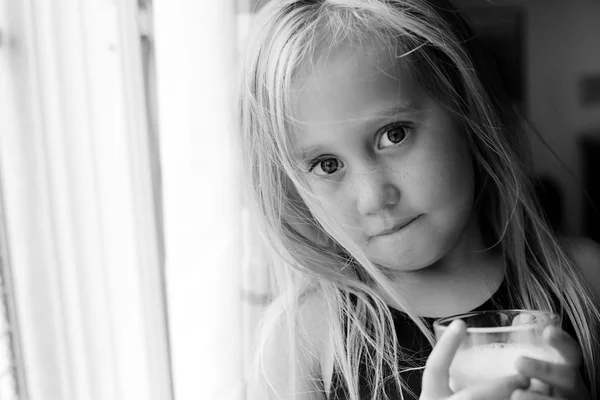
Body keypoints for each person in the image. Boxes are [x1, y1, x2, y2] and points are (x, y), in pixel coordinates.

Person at [238, 0, 600, 399]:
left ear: (467, 111)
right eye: (326, 164)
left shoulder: (585, 280)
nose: (374, 198)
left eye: (394, 134)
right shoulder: (303, 338)